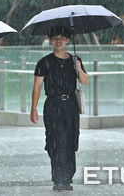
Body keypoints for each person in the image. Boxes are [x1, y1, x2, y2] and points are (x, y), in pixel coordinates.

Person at [30, 26, 89, 191]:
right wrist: (33, 108)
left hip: (71, 106)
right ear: (50, 40)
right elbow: (37, 86)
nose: (58, 40)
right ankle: (58, 179)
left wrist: (78, 69)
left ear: (68, 40)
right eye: (55, 37)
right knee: (56, 141)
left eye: (62, 37)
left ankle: (68, 178)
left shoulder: (75, 60)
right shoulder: (44, 62)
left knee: (70, 141)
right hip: (53, 106)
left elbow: (85, 81)